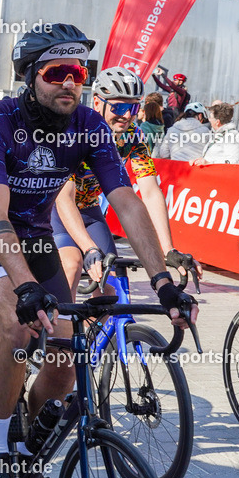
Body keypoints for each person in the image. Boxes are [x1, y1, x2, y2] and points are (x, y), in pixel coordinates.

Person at [0, 22, 196, 478]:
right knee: (18, 325)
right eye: (56, 72)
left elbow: (127, 203)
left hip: (36, 235)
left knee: (66, 352)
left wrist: (163, 280)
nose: (69, 82)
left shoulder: (90, 126)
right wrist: (24, 287)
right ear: (30, 76)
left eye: (78, 73)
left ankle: (24, 451)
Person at [51, 66, 200, 301]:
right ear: (97, 102)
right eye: (119, 107)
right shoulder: (73, 130)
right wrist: (89, 248)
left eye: (134, 108)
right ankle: (57, 325)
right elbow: (63, 198)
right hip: (53, 210)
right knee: (72, 265)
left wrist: (168, 249)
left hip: (89, 209)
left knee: (113, 288)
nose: (127, 115)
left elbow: (150, 192)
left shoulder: (133, 136)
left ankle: (97, 326)